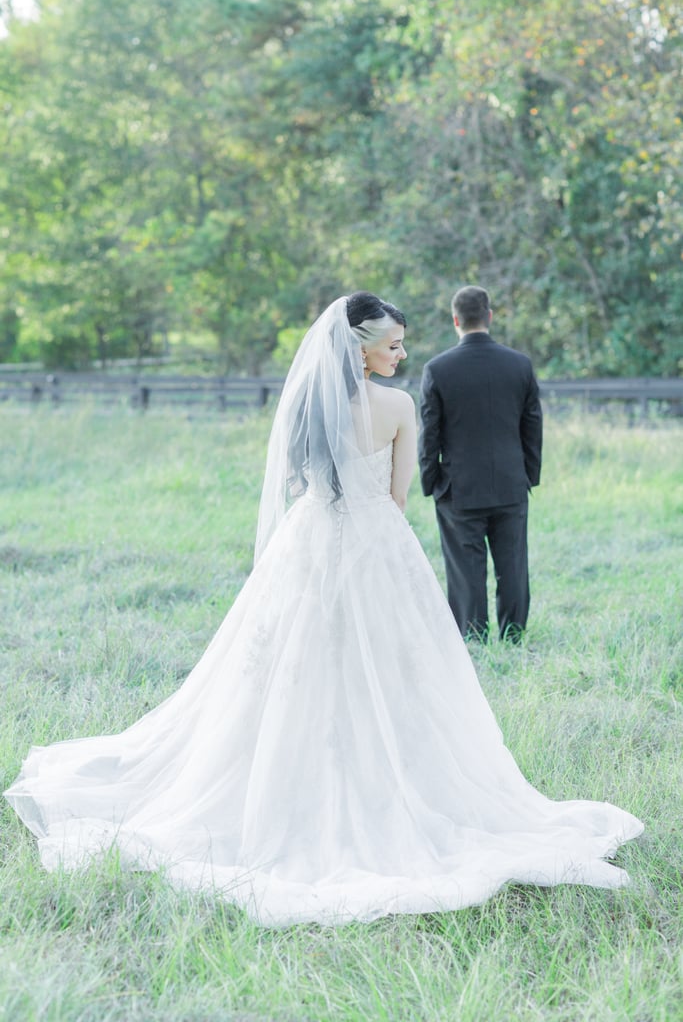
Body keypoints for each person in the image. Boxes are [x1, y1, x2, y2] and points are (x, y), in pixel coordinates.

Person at [5, 292, 641, 927]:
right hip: (375, 545)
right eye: (392, 344)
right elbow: (395, 498)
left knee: (290, 661)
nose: (402, 353)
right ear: (360, 349)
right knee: (389, 665)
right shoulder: (394, 406)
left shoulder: (307, 404)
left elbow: (295, 482)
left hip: (306, 542)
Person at [418, 285, 543, 643]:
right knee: (513, 566)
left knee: (465, 570)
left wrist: (431, 483)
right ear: (489, 316)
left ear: (455, 320)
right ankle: (514, 636)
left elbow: (429, 434)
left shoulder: (437, 369)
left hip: (459, 488)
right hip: (510, 484)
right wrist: (528, 476)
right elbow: (532, 427)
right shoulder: (519, 365)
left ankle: (472, 640)